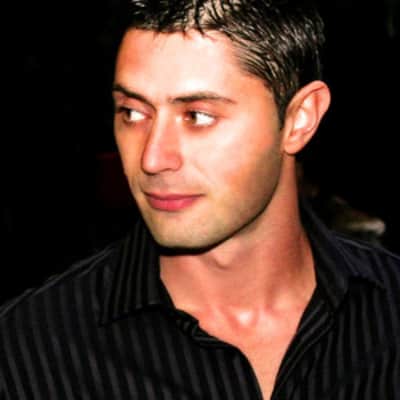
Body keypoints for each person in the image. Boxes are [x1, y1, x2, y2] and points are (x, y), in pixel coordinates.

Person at [1, 0, 399, 399]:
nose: (152, 158)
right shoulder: (29, 351)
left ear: (299, 119)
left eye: (198, 116)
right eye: (133, 113)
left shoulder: (390, 317)